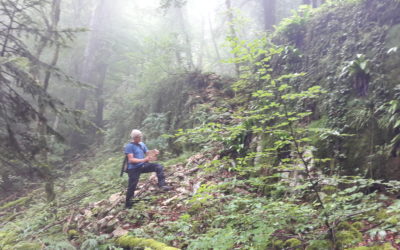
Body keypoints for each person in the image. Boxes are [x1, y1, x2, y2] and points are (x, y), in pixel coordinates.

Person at [124, 129, 171, 208]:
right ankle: (128, 205)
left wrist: (154, 152)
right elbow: (131, 160)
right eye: (139, 137)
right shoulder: (129, 146)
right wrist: (143, 160)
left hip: (143, 165)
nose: (140, 138)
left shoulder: (141, 144)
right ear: (134, 138)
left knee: (158, 167)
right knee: (132, 186)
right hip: (133, 169)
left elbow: (147, 153)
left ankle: (162, 185)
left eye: (141, 136)